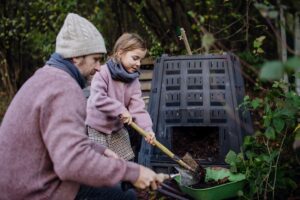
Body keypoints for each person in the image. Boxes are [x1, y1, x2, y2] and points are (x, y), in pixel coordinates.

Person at [0, 13, 168, 200]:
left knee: (120, 192)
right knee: (125, 197)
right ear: (76, 57)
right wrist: (133, 172)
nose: (98, 67)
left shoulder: (45, 77)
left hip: (27, 181)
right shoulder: (64, 89)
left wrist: (99, 150)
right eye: (95, 59)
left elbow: (59, 140)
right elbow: (72, 162)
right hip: (34, 191)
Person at [86, 33, 156, 161]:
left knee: (126, 162)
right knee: (101, 165)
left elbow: (138, 109)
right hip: (97, 127)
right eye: (135, 58)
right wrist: (121, 110)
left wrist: (147, 129)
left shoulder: (134, 81)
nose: (139, 63)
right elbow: (98, 99)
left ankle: (125, 180)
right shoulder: (102, 73)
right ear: (120, 53)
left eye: (140, 59)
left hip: (116, 129)